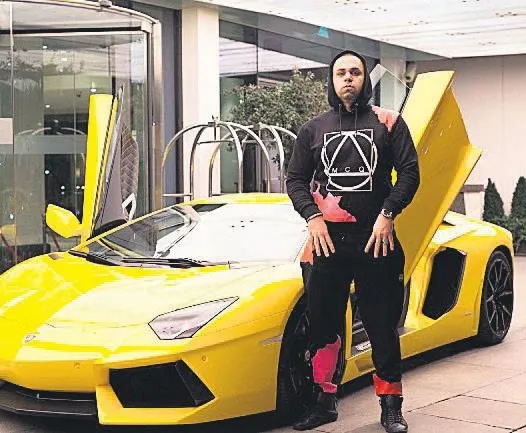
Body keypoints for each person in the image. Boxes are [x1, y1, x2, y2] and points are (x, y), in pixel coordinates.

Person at [286, 50, 420, 432]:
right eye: (341, 72)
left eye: (355, 72)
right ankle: (323, 402)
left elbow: (410, 173)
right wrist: (312, 217)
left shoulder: (389, 123)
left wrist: (388, 214)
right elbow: (295, 179)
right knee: (323, 325)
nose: (348, 78)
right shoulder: (313, 129)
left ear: (365, 79)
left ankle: (391, 405)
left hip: (376, 241)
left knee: (381, 325)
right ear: (331, 80)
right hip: (326, 244)